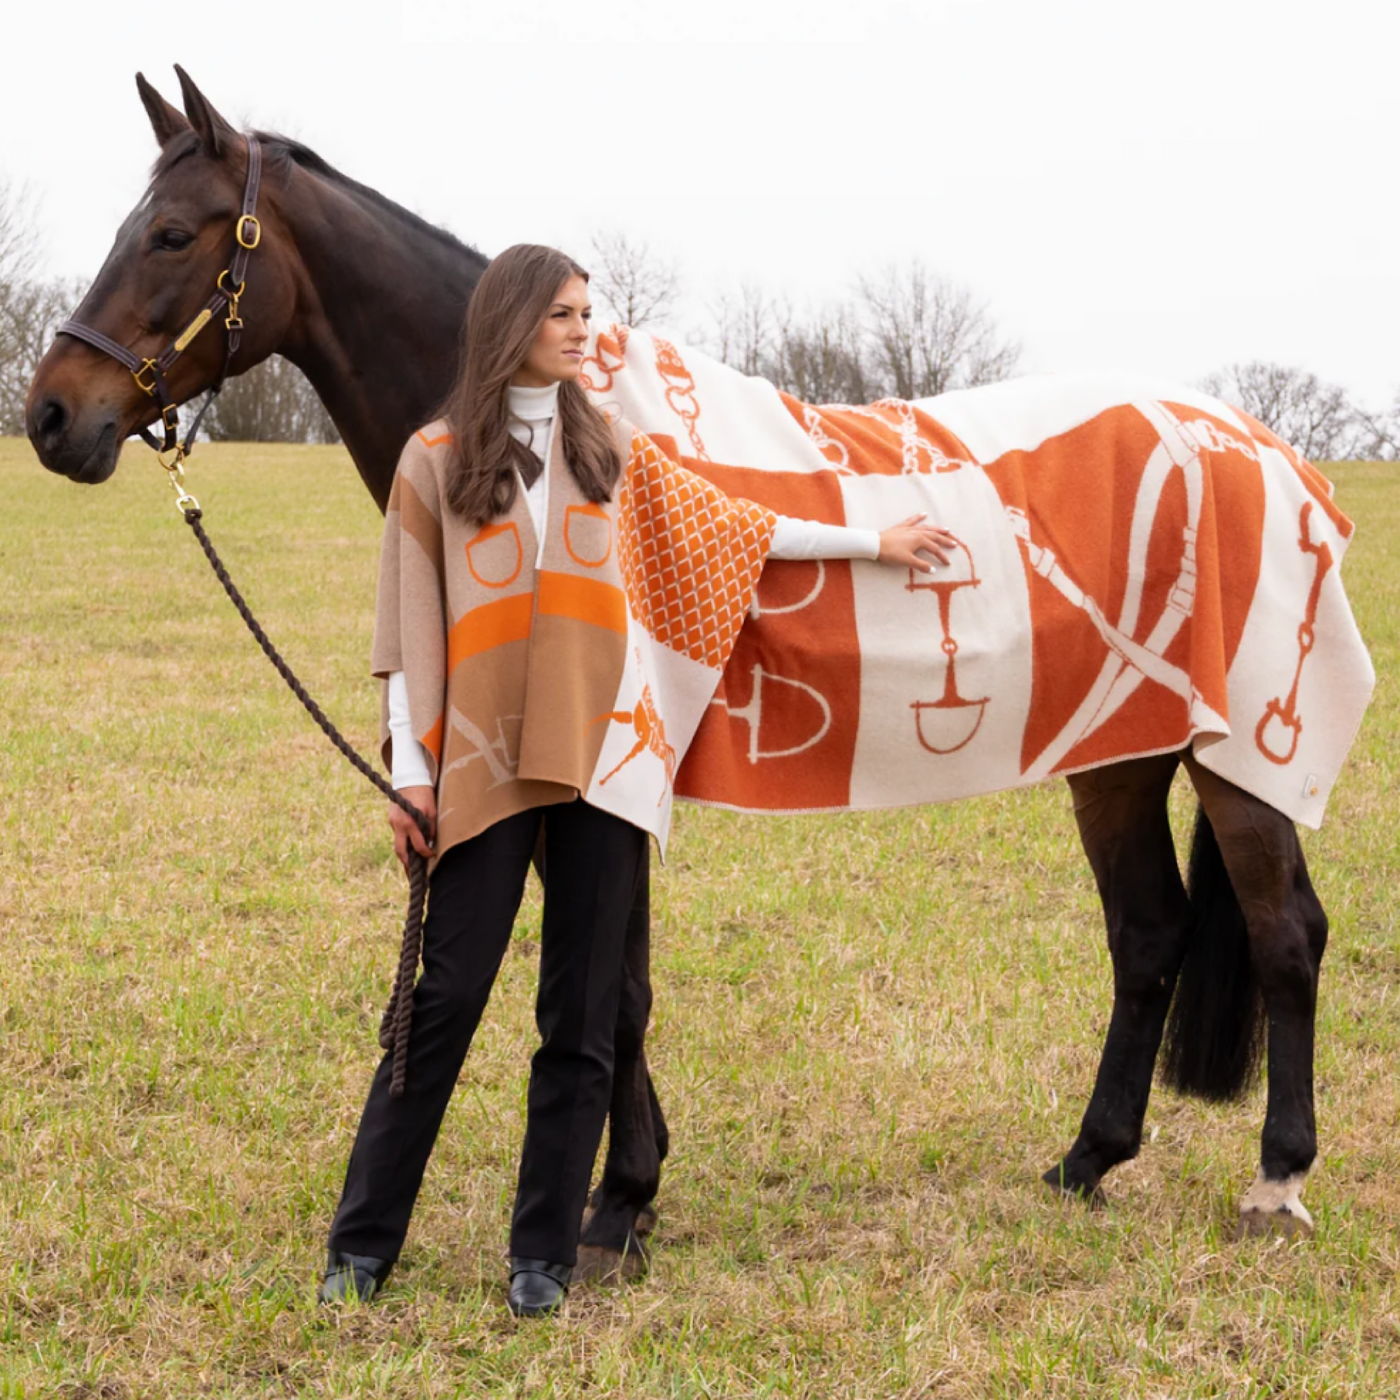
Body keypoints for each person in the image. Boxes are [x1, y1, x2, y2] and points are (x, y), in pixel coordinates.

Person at [318, 244, 956, 1317]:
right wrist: (411, 779)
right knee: (443, 1004)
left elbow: (738, 525)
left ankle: (542, 1255)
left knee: (579, 1017)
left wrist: (872, 541)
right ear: (510, 321)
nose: (580, 330)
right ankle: (361, 1244)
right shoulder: (432, 460)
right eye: (560, 314)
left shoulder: (609, 445)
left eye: (585, 312)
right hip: (480, 764)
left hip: (605, 760)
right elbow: (404, 633)